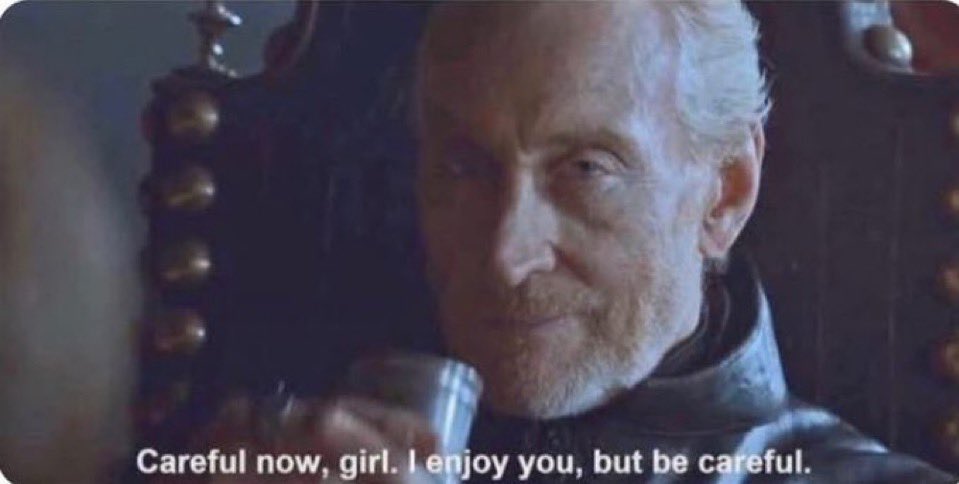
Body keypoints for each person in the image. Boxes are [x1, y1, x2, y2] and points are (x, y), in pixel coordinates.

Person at [201, 2, 953, 482]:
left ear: (725, 193)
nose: (505, 256)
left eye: (585, 170)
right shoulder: (284, 451)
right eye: (464, 166)